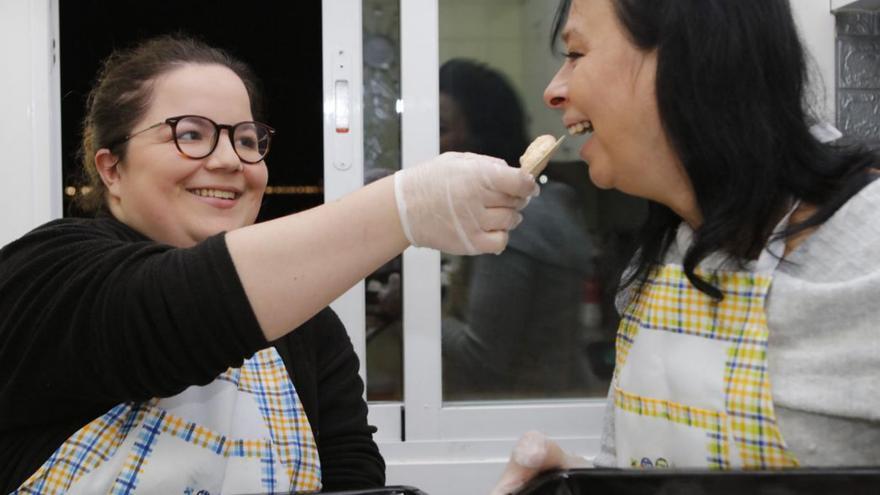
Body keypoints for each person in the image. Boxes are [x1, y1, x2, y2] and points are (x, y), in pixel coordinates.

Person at [0, 35, 538, 494]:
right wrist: (400, 209)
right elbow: (167, 313)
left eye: (247, 138)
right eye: (191, 134)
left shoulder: (308, 326)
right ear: (111, 168)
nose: (231, 159)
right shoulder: (45, 271)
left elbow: (353, 479)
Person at [494, 0, 880, 490]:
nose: (554, 89)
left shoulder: (867, 255)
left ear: (690, 59)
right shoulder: (666, 256)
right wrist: (586, 481)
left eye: (576, 53)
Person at [437, 59, 595, 399]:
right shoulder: (547, 199)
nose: (432, 145)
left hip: (521, 413)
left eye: (440, 128)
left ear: (480, 133)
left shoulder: (515, 222)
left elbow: (480, 358)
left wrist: (412, 309)